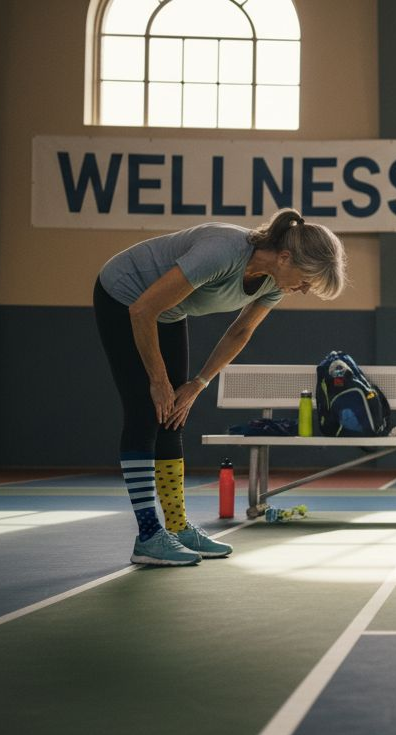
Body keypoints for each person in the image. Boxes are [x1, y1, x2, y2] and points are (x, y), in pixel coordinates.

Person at [94, 209, 347, 565]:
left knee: (173, 417)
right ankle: (149, 536)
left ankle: (179, 528)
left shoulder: (274, 282)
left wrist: (198, 383)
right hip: (125, 298)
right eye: (306, 279)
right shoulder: (222, 251)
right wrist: (159, 380)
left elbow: (240, 331)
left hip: (167, 312)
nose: (305, 289)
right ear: (286, 257)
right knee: (145, 413)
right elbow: (142, 309)